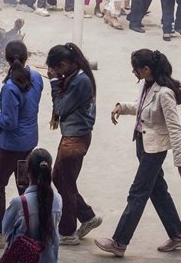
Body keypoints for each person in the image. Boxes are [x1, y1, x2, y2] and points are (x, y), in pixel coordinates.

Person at [95, 49, 181, 257]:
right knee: (158, 191)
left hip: (154, 150)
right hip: (142, 144)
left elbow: (175, 129)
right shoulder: (145, 84)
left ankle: (120, 242)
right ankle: (178, 235)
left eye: (135, 69)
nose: (133, 72)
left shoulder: (165, 93)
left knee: (137, 193)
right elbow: (141, 108)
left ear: (146, 69)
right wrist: (122, 107)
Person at [0, 41, 44, 250]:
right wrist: (3, 96)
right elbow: (27, 103)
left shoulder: (11, 87)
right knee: (24, 184)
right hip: (29, 141)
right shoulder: (36, 77)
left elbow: (10, 122)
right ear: (26, 56)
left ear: (6, 58)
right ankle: (32, 229)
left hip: (11, 146)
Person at [46, 43, 101, 245]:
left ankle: (68, 232)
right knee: (61, 179)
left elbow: (61, 108)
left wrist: (54, 83)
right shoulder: (76, 75)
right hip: (73, 135)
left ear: (63, 64)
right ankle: (87, 216)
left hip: (75, 138)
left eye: (57, 69)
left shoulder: (79, 82)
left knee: (65, 183)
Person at [0, 148, 63, 263]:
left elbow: (6, 231)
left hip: (23, 258)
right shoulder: (57, 199)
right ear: (50, 171)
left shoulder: (19, 203)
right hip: (49, 258)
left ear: (28, 172)